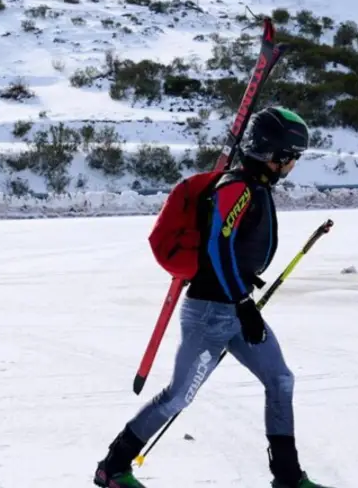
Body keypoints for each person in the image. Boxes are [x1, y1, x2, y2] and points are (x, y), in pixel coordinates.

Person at [94, 106, 332, 488]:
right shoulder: (236, 188)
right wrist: (240, 303)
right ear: (276, 155)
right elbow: (217, 249)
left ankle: (287, 477)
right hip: (209, 312)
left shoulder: (253, 186)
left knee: (280, 380)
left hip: (236, 309)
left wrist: (242, 304)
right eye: (292, 158)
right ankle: (113, 468)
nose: (292, 167)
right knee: (177, 398)